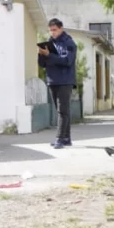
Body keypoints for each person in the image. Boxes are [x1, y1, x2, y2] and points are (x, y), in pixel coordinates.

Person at [38, 18, 77, 149]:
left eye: (54, 30)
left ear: (61, 29)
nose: (52, 33)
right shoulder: (49, 43)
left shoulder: (69, 43)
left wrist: (49, 55)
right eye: (50, 30)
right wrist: (42, 54)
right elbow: (42, 64)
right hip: (52, 80)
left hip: (65, 80)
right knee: (61, 110)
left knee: (62, 111)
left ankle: (60, 139)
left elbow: (67, 61)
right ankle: (66, 138)